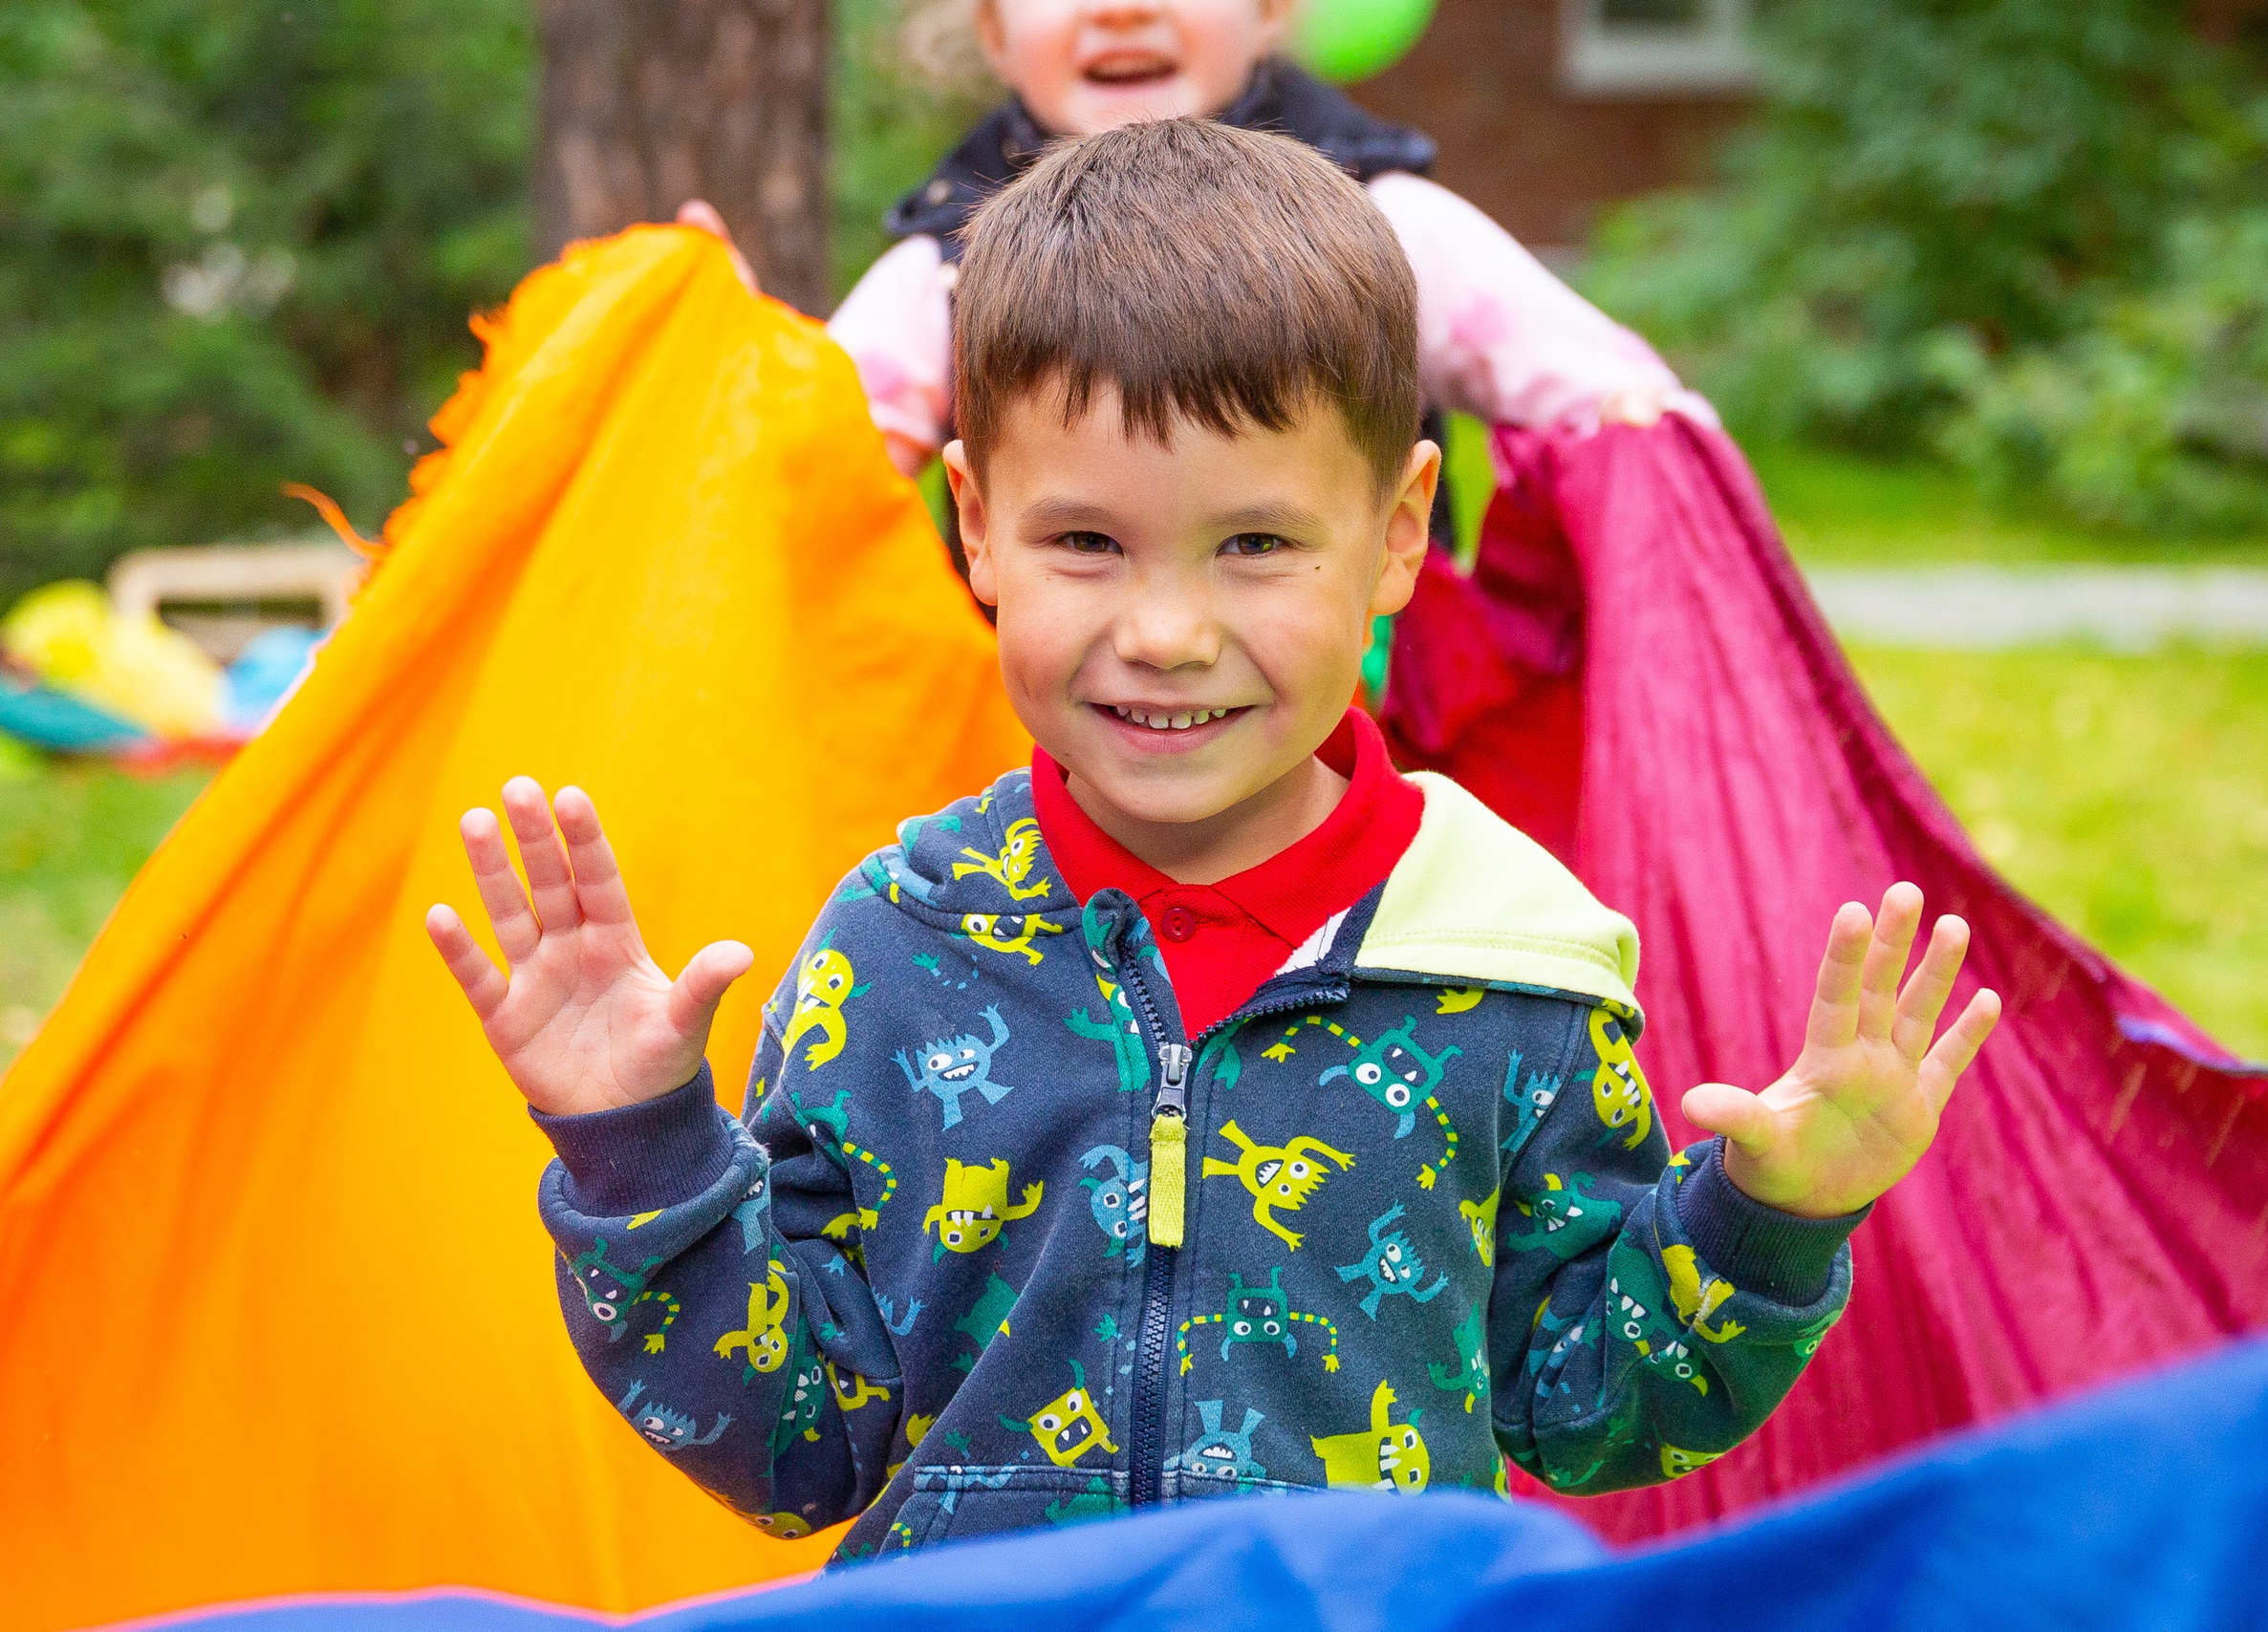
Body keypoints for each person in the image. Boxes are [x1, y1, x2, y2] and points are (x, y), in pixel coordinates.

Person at [427, 121, 1999, 1557]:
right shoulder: (899, 947)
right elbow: (795, 1444)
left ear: (1395, 535)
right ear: (976, 526)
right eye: (1087, 543)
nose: (1166, 633)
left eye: (1254, 544)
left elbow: (1591, 1405)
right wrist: (639, 1146)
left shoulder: (1513, 958)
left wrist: (1769, 1220)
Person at [683, 0, 1701, 481]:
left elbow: (1589, 386)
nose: (1124, 8)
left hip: (1349, 759)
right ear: (992, 31)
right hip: (1052, 769)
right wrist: (723, 358)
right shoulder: (951, 263)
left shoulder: (1381, 221)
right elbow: (817, 460)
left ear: (1269, 10)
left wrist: (1636, 428)